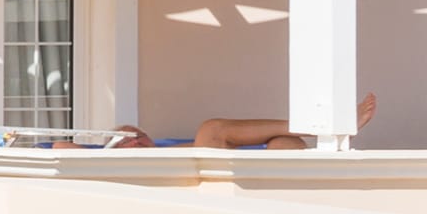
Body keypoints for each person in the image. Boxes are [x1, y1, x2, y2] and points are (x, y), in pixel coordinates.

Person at [99, 93, 376, 150]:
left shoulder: (163, 149)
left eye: (139, 135)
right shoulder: (107, 164)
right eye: (124, 141)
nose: (136, 140)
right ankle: (319, 126)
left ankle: (317, 128)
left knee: (286, 143)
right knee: (211, 129)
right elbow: (62, 147)